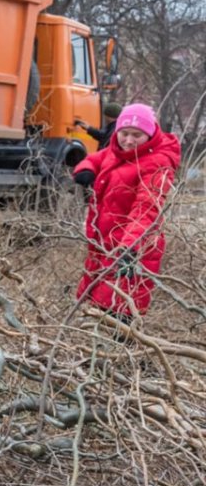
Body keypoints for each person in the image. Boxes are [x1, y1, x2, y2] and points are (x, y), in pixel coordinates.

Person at [72, 103, 180, 322]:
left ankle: (126, 352)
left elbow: (146, 209)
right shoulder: (117, 151)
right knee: (98, 306)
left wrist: (129, 248)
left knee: (120, 311)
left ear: (149, 134)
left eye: (137, 135)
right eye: (124, 133)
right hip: (104, 244)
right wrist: (85, 168)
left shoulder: (157, 163)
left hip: (131, 250)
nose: (129, 140)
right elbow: (97, 157)